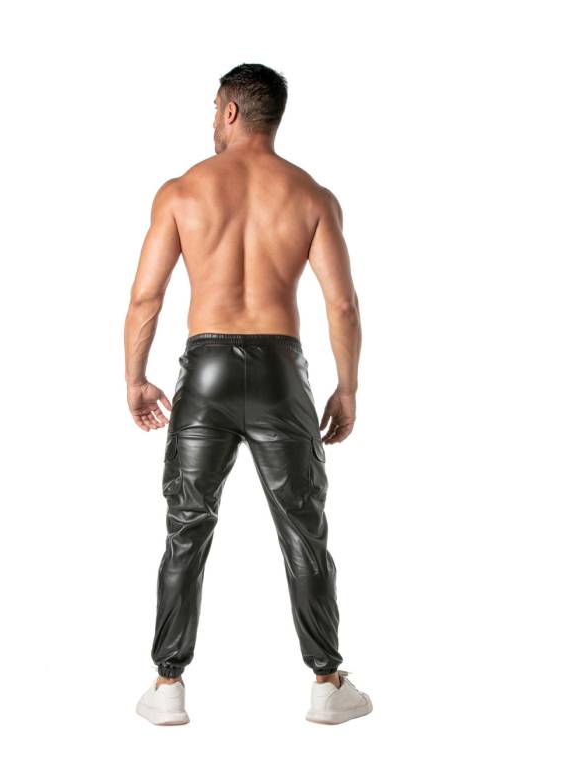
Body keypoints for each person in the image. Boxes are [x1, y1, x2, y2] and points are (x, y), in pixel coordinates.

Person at [125, 63, 370, 725]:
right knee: (303, 530)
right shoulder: (312, 196)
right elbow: (342, 304)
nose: (212, 119)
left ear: (231, 111)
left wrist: (136, 378)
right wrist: (347, 388)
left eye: (214, 108)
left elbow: (146, 297)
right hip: (280, 374)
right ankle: (328, 684)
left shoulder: (181, 191)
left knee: (186, 528)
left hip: (204, 371)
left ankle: (167, 687)